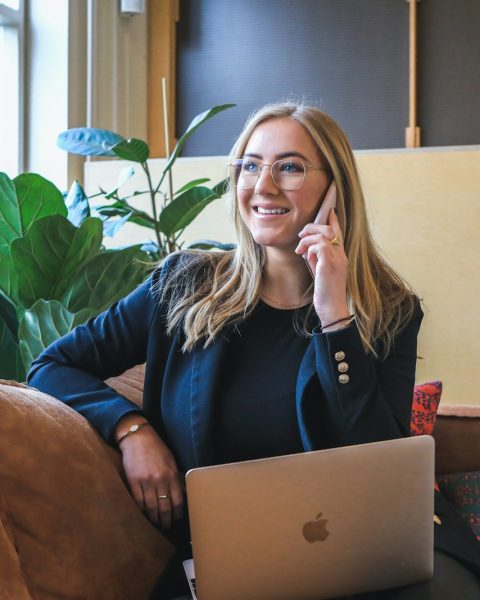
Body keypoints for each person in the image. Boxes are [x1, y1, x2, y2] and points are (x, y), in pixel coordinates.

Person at [28, 102, 480, 599]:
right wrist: (132, 430)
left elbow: (382, 470)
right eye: (249, 165)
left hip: (375, 551)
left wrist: (336, 318)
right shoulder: (183, 286)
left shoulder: (389, 309)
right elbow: (52, 365)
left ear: (336, 189)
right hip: (235, 559)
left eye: (289, 167)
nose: (263, 185)